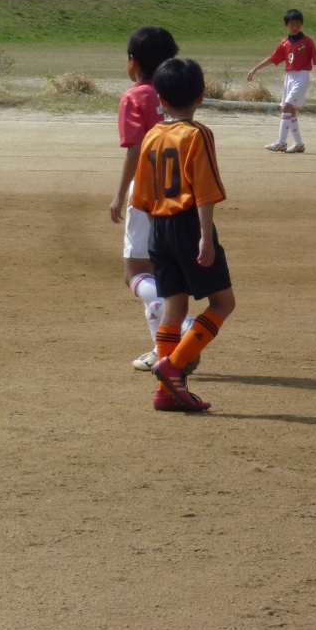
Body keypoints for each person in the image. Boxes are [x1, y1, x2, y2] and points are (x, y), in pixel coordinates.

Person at [132, 58, 235, 412]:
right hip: (189, 224)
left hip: (158, 227)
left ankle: (165, 392)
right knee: (223, 303)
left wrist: (158, 235)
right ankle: (173, 366)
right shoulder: (197, 134)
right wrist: (204, 237)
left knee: (175, 307)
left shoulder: (152, 135)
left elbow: (142, 194)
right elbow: (204, 190)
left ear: (160, 98)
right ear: (202, 96)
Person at [109, 26, 178, 372]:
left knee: (135, 273)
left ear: (133, 61)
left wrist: (120, 194)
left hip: (148, 190)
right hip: (179, 189)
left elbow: (135, 150)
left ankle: (183, 324)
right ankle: (162, 351)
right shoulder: (174, 92)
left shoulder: (134, 97)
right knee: (159, 271)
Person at [246, 9, 316, 153]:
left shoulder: (307, 42)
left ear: (301, 25)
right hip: (289, 77)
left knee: (286, 107)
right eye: (292, 24)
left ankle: (281, 143)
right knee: (291, 110)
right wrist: (256, 68)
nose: (295, 27)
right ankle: (299, 144)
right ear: (286, 25)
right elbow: (272, 58)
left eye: (298, 24)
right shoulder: (284, 43)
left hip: (301, 76)